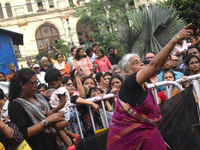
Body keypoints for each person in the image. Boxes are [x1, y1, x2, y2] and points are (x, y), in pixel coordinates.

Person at [107, 23, 192, 150]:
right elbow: (154, 66)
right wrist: (175, 39)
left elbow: (147, 122)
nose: (141, 65)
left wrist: (159, 138)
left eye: (141, 62)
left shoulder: (144, 86)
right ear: (127, 72)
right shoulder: (129, 83)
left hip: (148, 136)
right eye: (136, 63)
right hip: (132, 142)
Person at [8, 68, 69, 150]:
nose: (36, 85)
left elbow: (57, 114)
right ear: (22, 85)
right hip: (40, 145)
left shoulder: (41, 97)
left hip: (58, 143)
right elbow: (24, 133)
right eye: (32, 83)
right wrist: (46, 121)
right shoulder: (15, 105)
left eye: (36, 82)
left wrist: (63, 122)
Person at [45, 68, 80, 149]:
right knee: (59, 128)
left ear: (59, 79)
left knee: (59, 129)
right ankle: (74, 136)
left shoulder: (61, 90)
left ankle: (69, 145)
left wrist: (52, 111)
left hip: (62, 112)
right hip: (61, 111)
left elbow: (63, 102)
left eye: (52, 84)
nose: (51, 86)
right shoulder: (58, 89)